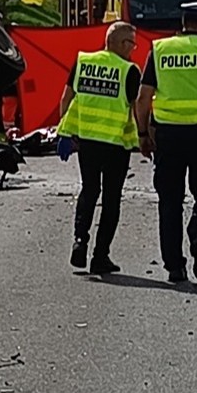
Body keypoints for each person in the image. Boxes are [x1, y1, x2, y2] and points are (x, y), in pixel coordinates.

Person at [135, 1, 197, 284]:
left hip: (167, 136)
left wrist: (143, 134)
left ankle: (174, 268)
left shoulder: (159, 49)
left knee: (169, 201)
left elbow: (143, 98)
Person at [55, 21, 141, 276]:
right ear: (119, 43)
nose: (133, 49)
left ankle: (80, 241)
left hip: (87, 142)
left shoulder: (84, 62)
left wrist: (65, 131)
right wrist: (147, 137)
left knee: (89, 190)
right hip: (115, 145)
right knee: (111, 198)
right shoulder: (129, 71)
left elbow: (66, 98)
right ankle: (100, 256)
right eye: (131, 43)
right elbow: (137, 108)